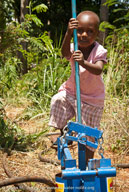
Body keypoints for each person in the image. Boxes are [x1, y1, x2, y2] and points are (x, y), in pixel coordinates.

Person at [49, 11, 107, 164]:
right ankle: (63, 135)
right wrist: (68, 33)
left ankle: (88, 163)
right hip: (72, 92)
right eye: (79, 30)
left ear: (97, 34)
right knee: (58, 100)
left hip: (92, 99)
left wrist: (83, 63)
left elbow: (98, 69)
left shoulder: (99, 50)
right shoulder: (74, 46)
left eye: (89, 31)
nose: (83, 35)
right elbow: (64, 52)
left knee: (88, 135)